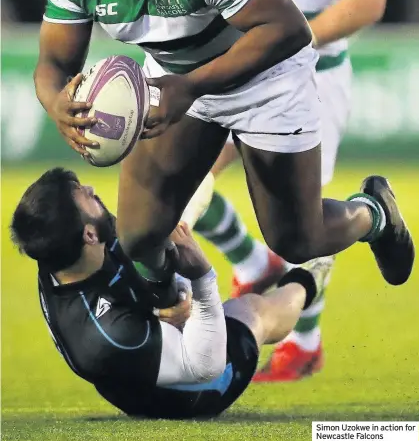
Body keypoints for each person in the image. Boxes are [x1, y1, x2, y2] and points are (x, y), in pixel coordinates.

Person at [34, 0, 413, 309]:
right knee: (137, 238)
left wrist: (191, 86)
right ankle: (177, 312)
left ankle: (374, 214)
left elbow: (288, 29)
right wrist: (56, 103)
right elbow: (54, 63)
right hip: (176, 83)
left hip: (263, 81)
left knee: (297, 238)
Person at [185, 0, 398, 381]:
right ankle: (249, 263)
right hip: (249, 70)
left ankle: (305, 342)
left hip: (314, 79)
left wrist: (291, 41)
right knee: (188, 176)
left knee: (303, 227)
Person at [10, 168, 334, 419]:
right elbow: (206, 364)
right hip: (190, 391)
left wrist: (161, 306)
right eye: (86, 196)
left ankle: (259, 266)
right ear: (89, 235)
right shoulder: (105, 338)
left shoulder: (62, 252)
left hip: (138, 358)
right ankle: (310, 278)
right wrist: (200, 283)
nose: (93, 190)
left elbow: (138, 254)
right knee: (251, 312)